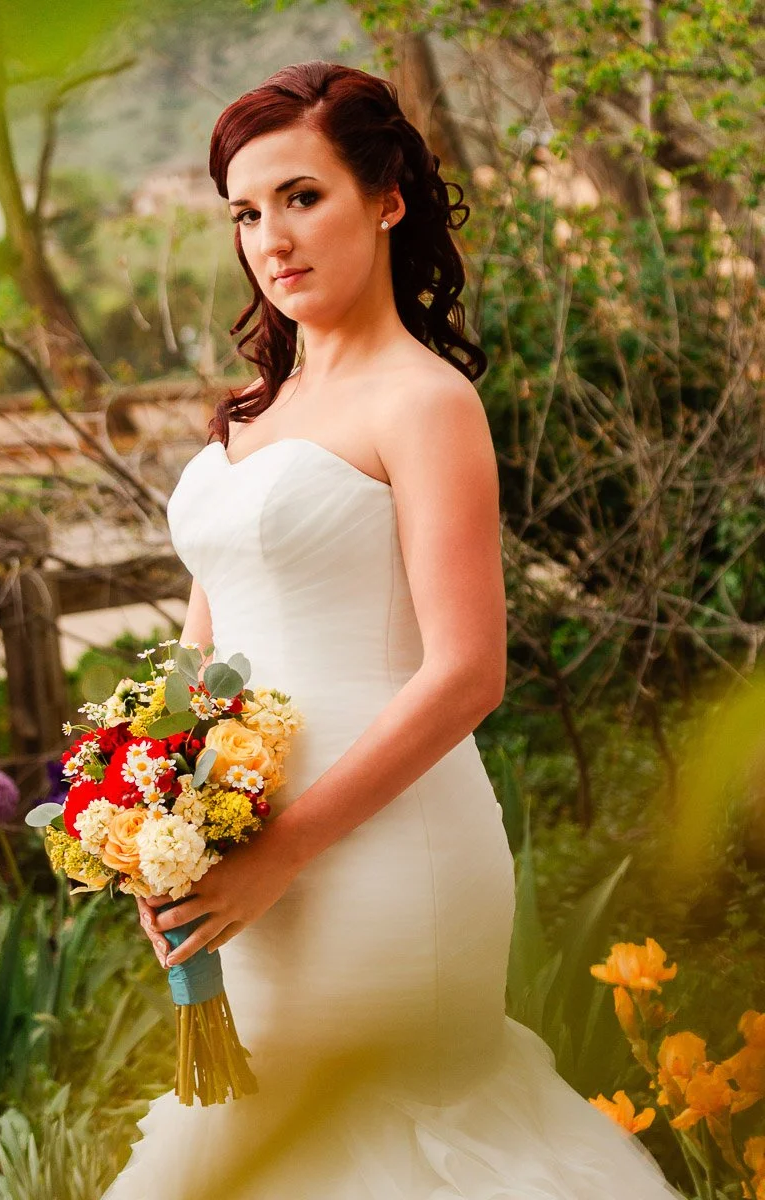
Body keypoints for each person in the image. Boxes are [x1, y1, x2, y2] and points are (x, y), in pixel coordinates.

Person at [101, 59, 683, 1200]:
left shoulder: (424, 402)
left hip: (380, 855)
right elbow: (196, 650)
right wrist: (147, 816)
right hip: (237, 846)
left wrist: (283, 851)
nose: (271, 237)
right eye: (246, 212)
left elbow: (468, 672)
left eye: (302, 197)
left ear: (386, 198)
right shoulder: (251, 418)